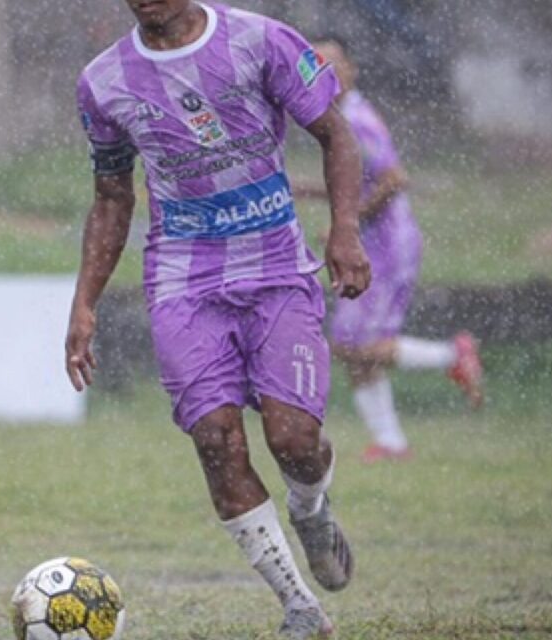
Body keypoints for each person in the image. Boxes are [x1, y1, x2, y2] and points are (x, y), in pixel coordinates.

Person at [66, 2, 369, 637]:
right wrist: (85, 302)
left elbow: (337, 136)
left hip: (277, 273)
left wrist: (345, 229)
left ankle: (311, 508)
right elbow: (112, 197)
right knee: (216, 442)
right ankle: (299, 608)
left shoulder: (261, 41)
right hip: (184, 283)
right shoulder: (104, 81)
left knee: (294, 442)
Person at [305, 39, 482, 463]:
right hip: (371, 245)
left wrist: (347, 225)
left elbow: (392, 180)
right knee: (353, 347)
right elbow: (354, 180)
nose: (324, 75)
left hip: (384, 248)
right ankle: (390, 442)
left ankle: (451, 355)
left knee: (355, 345)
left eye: (332, 66)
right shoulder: (337, 118)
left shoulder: (356, 121)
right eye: (315, 67)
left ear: (353, 69)